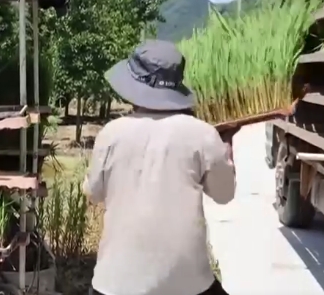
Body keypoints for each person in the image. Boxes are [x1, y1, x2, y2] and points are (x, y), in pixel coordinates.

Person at [82, 40, 237, 295]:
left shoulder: (111, 133)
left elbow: (93, 193)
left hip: (115, 284)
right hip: (187, 285)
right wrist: (227, 148)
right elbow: (224, 194)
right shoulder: (203, 134)